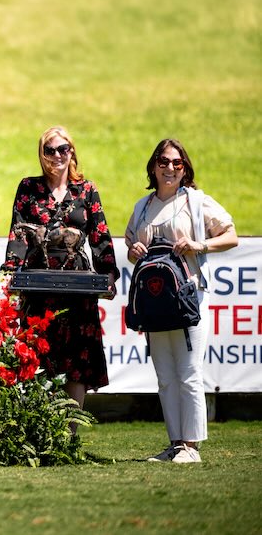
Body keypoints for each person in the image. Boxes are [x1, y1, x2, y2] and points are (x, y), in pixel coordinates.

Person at [125, 138, 237, 464]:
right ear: (153, 167)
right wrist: (133, 251)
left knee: (189, 371)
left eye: (176, 162)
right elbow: (133, 245)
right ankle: (175, 443)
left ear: (184, 168)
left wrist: (198, 245)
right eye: (163, 161)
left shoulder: (196, 201)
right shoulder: (143, 207)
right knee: (164, 375)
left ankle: (192, 445)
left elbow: (230, 235)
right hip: (154, 300)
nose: (169, 168)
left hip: (190, 297)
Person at [1, 126, 117, 413]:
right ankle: (45, 432)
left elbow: (100, 236)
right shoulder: (29, 188)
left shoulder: (87, 190)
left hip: (78, 287)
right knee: (39, 358)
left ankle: (71, 435)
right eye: (49, 150)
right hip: (38, 287)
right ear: (41, 154)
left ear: (72, 152)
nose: (56, 155)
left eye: (62, 149)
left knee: (77, 362)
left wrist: (109, 275)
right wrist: (9, 273)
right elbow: (18, 234)